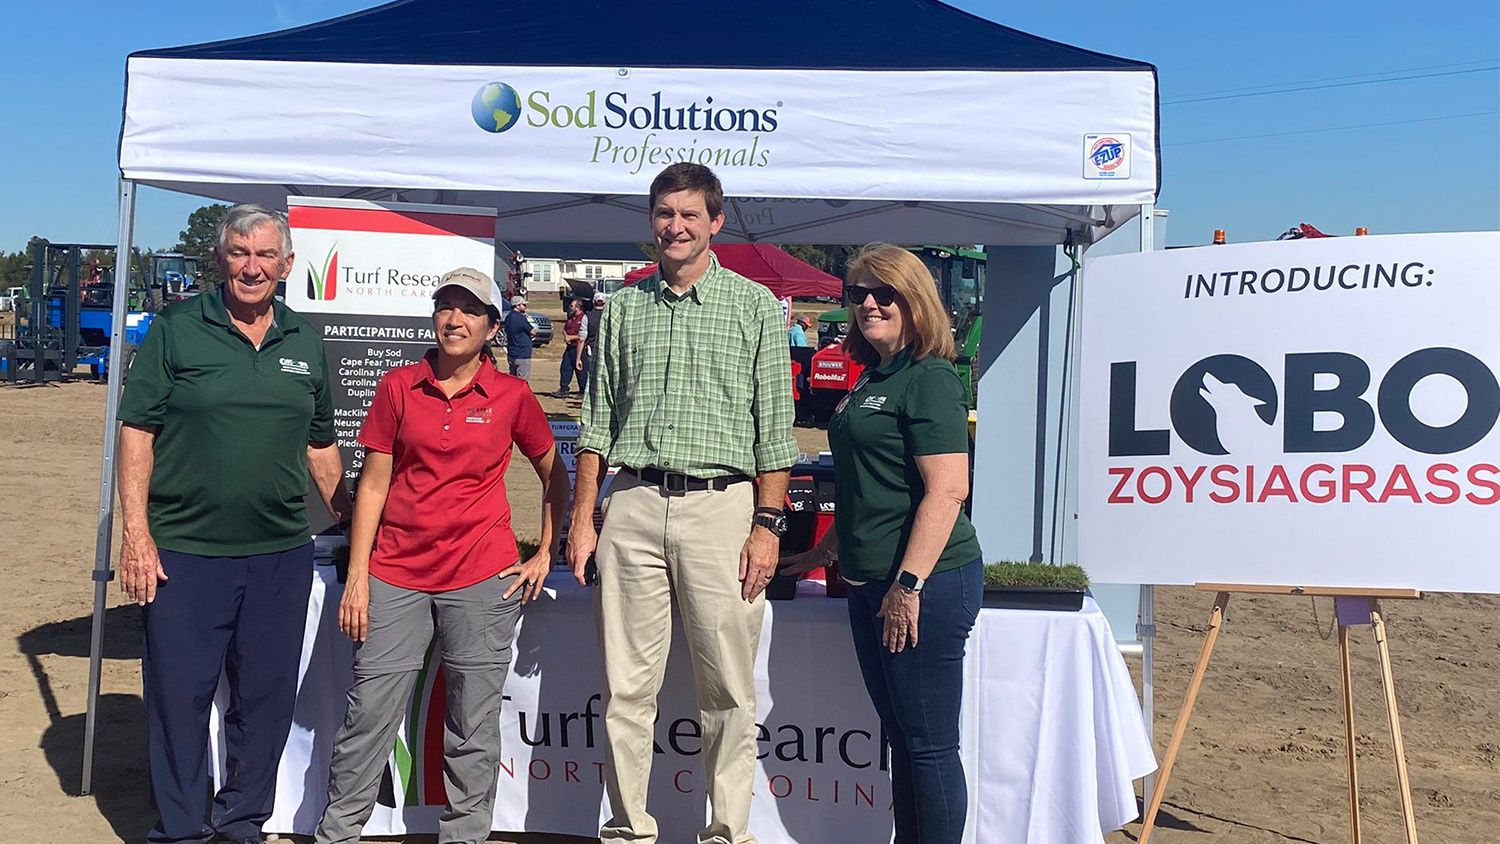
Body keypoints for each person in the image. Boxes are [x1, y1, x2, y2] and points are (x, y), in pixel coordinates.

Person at [567, 163, 797, 844]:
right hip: (632, 505)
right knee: (626, 692)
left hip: (723, 510)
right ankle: (628, 831)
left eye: (690, 214)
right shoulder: (624, 310)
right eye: (665, 213)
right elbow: (597, 427)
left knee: (726, 690)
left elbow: (775, 433)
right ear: (652, 222)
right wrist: (583, 518)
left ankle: (727, 833)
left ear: (715, 222)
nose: (676, 226)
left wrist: (767, 527)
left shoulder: (755, 306)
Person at [117, 203, 352, 844]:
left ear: (287, 265)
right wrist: (136, 537)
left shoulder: (304, 342)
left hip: (280, 554)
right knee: (180, 702)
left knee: (267, 702)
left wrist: (357, 524)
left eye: (265, 255)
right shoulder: (175, 329)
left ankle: (243, 822)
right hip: (186, 555)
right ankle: (183, 829)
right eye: (240, 253)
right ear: (220, 261)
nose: (253, 267)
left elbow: (321, 447)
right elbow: (137, 431)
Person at [314, 267, 568, 844]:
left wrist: (544, 549)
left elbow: (555, 475)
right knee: (369, 715)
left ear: (492, 326)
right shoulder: (399, 386)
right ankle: (337, 835)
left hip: (482, 575)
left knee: (472, 725)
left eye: (470, 311)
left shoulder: (512, 396)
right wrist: (357, 575)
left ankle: (464, 837)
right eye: (445, 308)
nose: (455, 320)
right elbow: (372, 486)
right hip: (395, 572)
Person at [782, 244, 983, 844]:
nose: (869, 302)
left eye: (884, 292)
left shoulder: (930, 378)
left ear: (915, 300)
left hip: (926, 581)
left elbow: (947, 491)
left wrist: (909, 585)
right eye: (858, 293)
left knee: (928, 747)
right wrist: (825, 552)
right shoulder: (874, 375)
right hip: (873, 580)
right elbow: (866, 484)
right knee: (900, 737)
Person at [553, 297, 587, 397]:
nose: (570, 307)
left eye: (572, 305)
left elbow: (584, 335)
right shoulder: (571, 318)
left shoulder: (584, 318)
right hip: (569, 347)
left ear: (577, 307)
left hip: (579, 348)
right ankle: (564, 389)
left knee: (580, 370)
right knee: (565, 367)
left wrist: (571, 337)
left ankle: (583, 390)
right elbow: (565, 329)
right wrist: (565, 336)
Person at [503, 294, 536, 380]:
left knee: (513, 380)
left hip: (512, 352)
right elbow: (533, 331)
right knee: (522, 380)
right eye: (523, 305)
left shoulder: (508, 318)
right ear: (517, 306)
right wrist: (525, 318)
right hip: (522, 353)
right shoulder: (520, 318)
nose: (525, 306)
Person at [579, 291, 605, 395]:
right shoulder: (609, 315)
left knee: (592, 375)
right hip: (606, 349)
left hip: (592, 349)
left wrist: (578, 357)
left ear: (593, 302)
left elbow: (582, 338)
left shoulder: (587, 316)